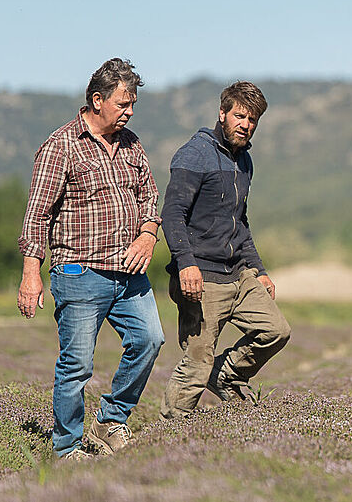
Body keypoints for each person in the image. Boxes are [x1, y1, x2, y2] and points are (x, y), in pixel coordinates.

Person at [17, 58, 165, 460]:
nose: (130, 111)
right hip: (78, 272)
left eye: (132, 103)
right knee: (77, 365)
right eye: (122, 103)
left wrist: (149, 235)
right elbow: (37, 215)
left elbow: (150, 196)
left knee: (150, 339)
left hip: (129, 274)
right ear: (97, 100)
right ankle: (66, 447)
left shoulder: (132, 143)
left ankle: (110, 417)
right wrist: (32, 274)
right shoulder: (60, 146)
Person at [161, 80, 290, 418]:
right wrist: (185, 264)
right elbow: (172, 214)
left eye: (252, 120)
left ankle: (226, 375)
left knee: (276, 331)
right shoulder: (195, 154)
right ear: (222, 113)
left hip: (237, 273)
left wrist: (258, 270)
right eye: (239, 116)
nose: (245, 125)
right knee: (196, 362)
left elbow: (239, 222)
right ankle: (169, 433)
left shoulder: (244, 162)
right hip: (200, 276)